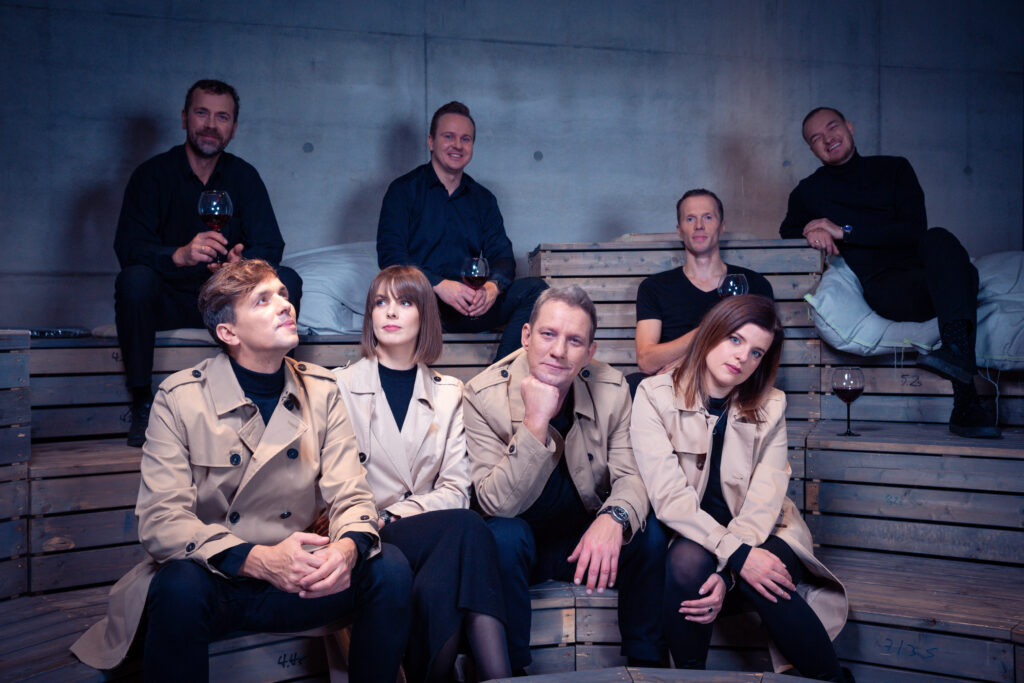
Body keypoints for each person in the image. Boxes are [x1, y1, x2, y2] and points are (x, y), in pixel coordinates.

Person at [71, 260, 410, 683]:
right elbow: (161, 521)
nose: (285, 305)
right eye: (263, 300)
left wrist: (344, 551)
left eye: (282, 294)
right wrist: (258, 560)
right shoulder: (180, 398)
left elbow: (352, 495)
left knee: (389, 566)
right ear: (228, 332)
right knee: (178, 584)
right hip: (220, 580)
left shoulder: (322, 390)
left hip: (299, 579)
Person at [630, 295, 850, 681]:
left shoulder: (772, 405)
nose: (742, 357)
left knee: (765, 574)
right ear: (711, 332)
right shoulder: (654, 395)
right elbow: (670, 499)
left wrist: (733, 569)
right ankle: (690, 677)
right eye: (735, 339)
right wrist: (736, 555)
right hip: (695, 530)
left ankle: (833, 678)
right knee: (686, 562)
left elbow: (764, 500)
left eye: (756, 352)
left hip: (764, 529)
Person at [464, 286, 667, 672]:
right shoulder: (482, 395)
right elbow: (495, 503)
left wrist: (614, 517)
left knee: (648, 533)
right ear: (526, 336)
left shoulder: (612, 387)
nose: (559, 351)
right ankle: (514, 673)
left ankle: (646, 668)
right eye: (548, 334)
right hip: (522, 546)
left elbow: (632, 475)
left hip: (584, 543)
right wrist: (535, 423)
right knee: (501, 536)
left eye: (574, 341)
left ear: (590, 352)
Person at [331, 265, 510, 682]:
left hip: (421, 532)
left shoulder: (449, 393)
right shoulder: (336, 387)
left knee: (444, 572)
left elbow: (456, 490)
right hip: (362, 532)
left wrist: (395, 513)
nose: (390, 312)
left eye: (405, 302)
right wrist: (373, 519)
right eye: (381, 302)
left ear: (424, 315)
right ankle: (499, 676)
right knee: (467, 531)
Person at [780, 106, 998, 438]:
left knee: (941, 241)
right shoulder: (808, 192)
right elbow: (787, 233)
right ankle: (966, 397)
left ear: (849, 126)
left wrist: (844, 231)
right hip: (888, 288)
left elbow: (913, 230)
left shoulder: (894, 168)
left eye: (833, 127)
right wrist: (813, 232)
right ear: (812, 149)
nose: (827, 139)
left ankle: (959, 371)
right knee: (964, 276)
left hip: (930, 272)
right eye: (815, 138)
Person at [113, 78, 303, 447]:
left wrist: (241, 265)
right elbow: (128, 246)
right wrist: (178, 255)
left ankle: (275, 394)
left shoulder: (244, 177)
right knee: (134, 280)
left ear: (233, 127)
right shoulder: (152, 175)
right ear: (185, 118)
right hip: (169, 302)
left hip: (226, 306)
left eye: (222, 117)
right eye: (202, 113)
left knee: (288, 280)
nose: (211, 125)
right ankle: (141, 401)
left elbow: (271, 244)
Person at [377, 101, 547, 361]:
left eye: (465, 139)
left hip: (470, 306)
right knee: (400, 295)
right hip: (421, 304)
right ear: (431, 142)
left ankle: (499, 373)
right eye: (448, 137)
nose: (457, 145)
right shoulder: (403, 191)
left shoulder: (483, 199)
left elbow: (502, 257)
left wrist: (491, 288)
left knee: (537, 290)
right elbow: (391, 256)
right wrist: (439, 285)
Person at [630, 189, 773, 395]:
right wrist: (707, 332)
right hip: (673, 390)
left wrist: (686, 361)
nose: (699, 225)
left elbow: (760, 353)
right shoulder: (654, 287)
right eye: (690, 218)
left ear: (721, 226)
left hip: (731, 387)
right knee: (634, 384)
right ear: (679, 230)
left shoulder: (754, 284)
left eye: (707, 217)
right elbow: (646, 361)